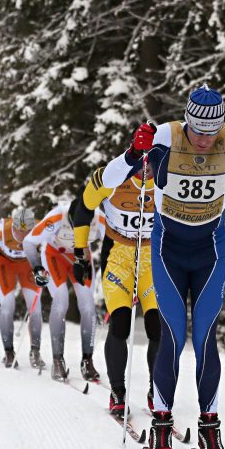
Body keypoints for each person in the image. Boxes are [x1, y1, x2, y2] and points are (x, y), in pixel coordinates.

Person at [100, 85, 225, 449]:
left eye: (212, 132)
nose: (205, 140)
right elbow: (109, 177)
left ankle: (209, 425)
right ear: (187, 122)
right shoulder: (164, 137)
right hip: (167, 249)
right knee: (171, 334)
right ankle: (161, 421)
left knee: (205, 337)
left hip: (210, 251)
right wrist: (134, 152)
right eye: (198, 132)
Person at [72, 158, 158, 417]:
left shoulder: (168, 177)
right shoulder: (111, 176)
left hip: (151, 260)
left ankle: (158, 391)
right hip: (118, 257)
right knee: (120, 321)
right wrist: (79, 254)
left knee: (158, 324)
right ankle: (118, 392)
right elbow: (83, 208)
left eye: (152, 161)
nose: (147, 168)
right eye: (142, 161)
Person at [24, 200, 102, 381]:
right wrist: (36, 268)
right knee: (61, 301)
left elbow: (114, 240)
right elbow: (28, 242)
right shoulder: (57, 216)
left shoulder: (100, 218)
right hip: (54, 255)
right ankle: (57, 360)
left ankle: (87, 360)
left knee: (88, 307)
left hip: (81, 256)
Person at [0, 207, 45, 369]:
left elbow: (48, 250)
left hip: (27, 265)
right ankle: (9, 351)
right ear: (14, 226)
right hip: (5, 264)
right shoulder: (2, 231)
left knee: (36, 308)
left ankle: (35, 351)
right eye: (20, 231)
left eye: (28, 232)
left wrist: (42, 269)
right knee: (7, 306)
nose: (24, 236)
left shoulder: (40, 228)